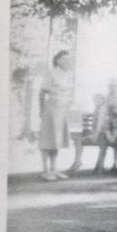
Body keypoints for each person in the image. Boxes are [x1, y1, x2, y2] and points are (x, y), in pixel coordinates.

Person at [38, 50, 74, 181]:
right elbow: (42, 93)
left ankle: (54, 169)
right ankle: (45, 170)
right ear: (58, 60)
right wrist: (41, 110)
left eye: (68, 59)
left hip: (62, 110)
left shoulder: (68, 75)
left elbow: (69, 93)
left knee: (57, 140)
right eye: (64, 59)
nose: (67, 61)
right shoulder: (51, 72)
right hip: (51, 110)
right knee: (47, 140)